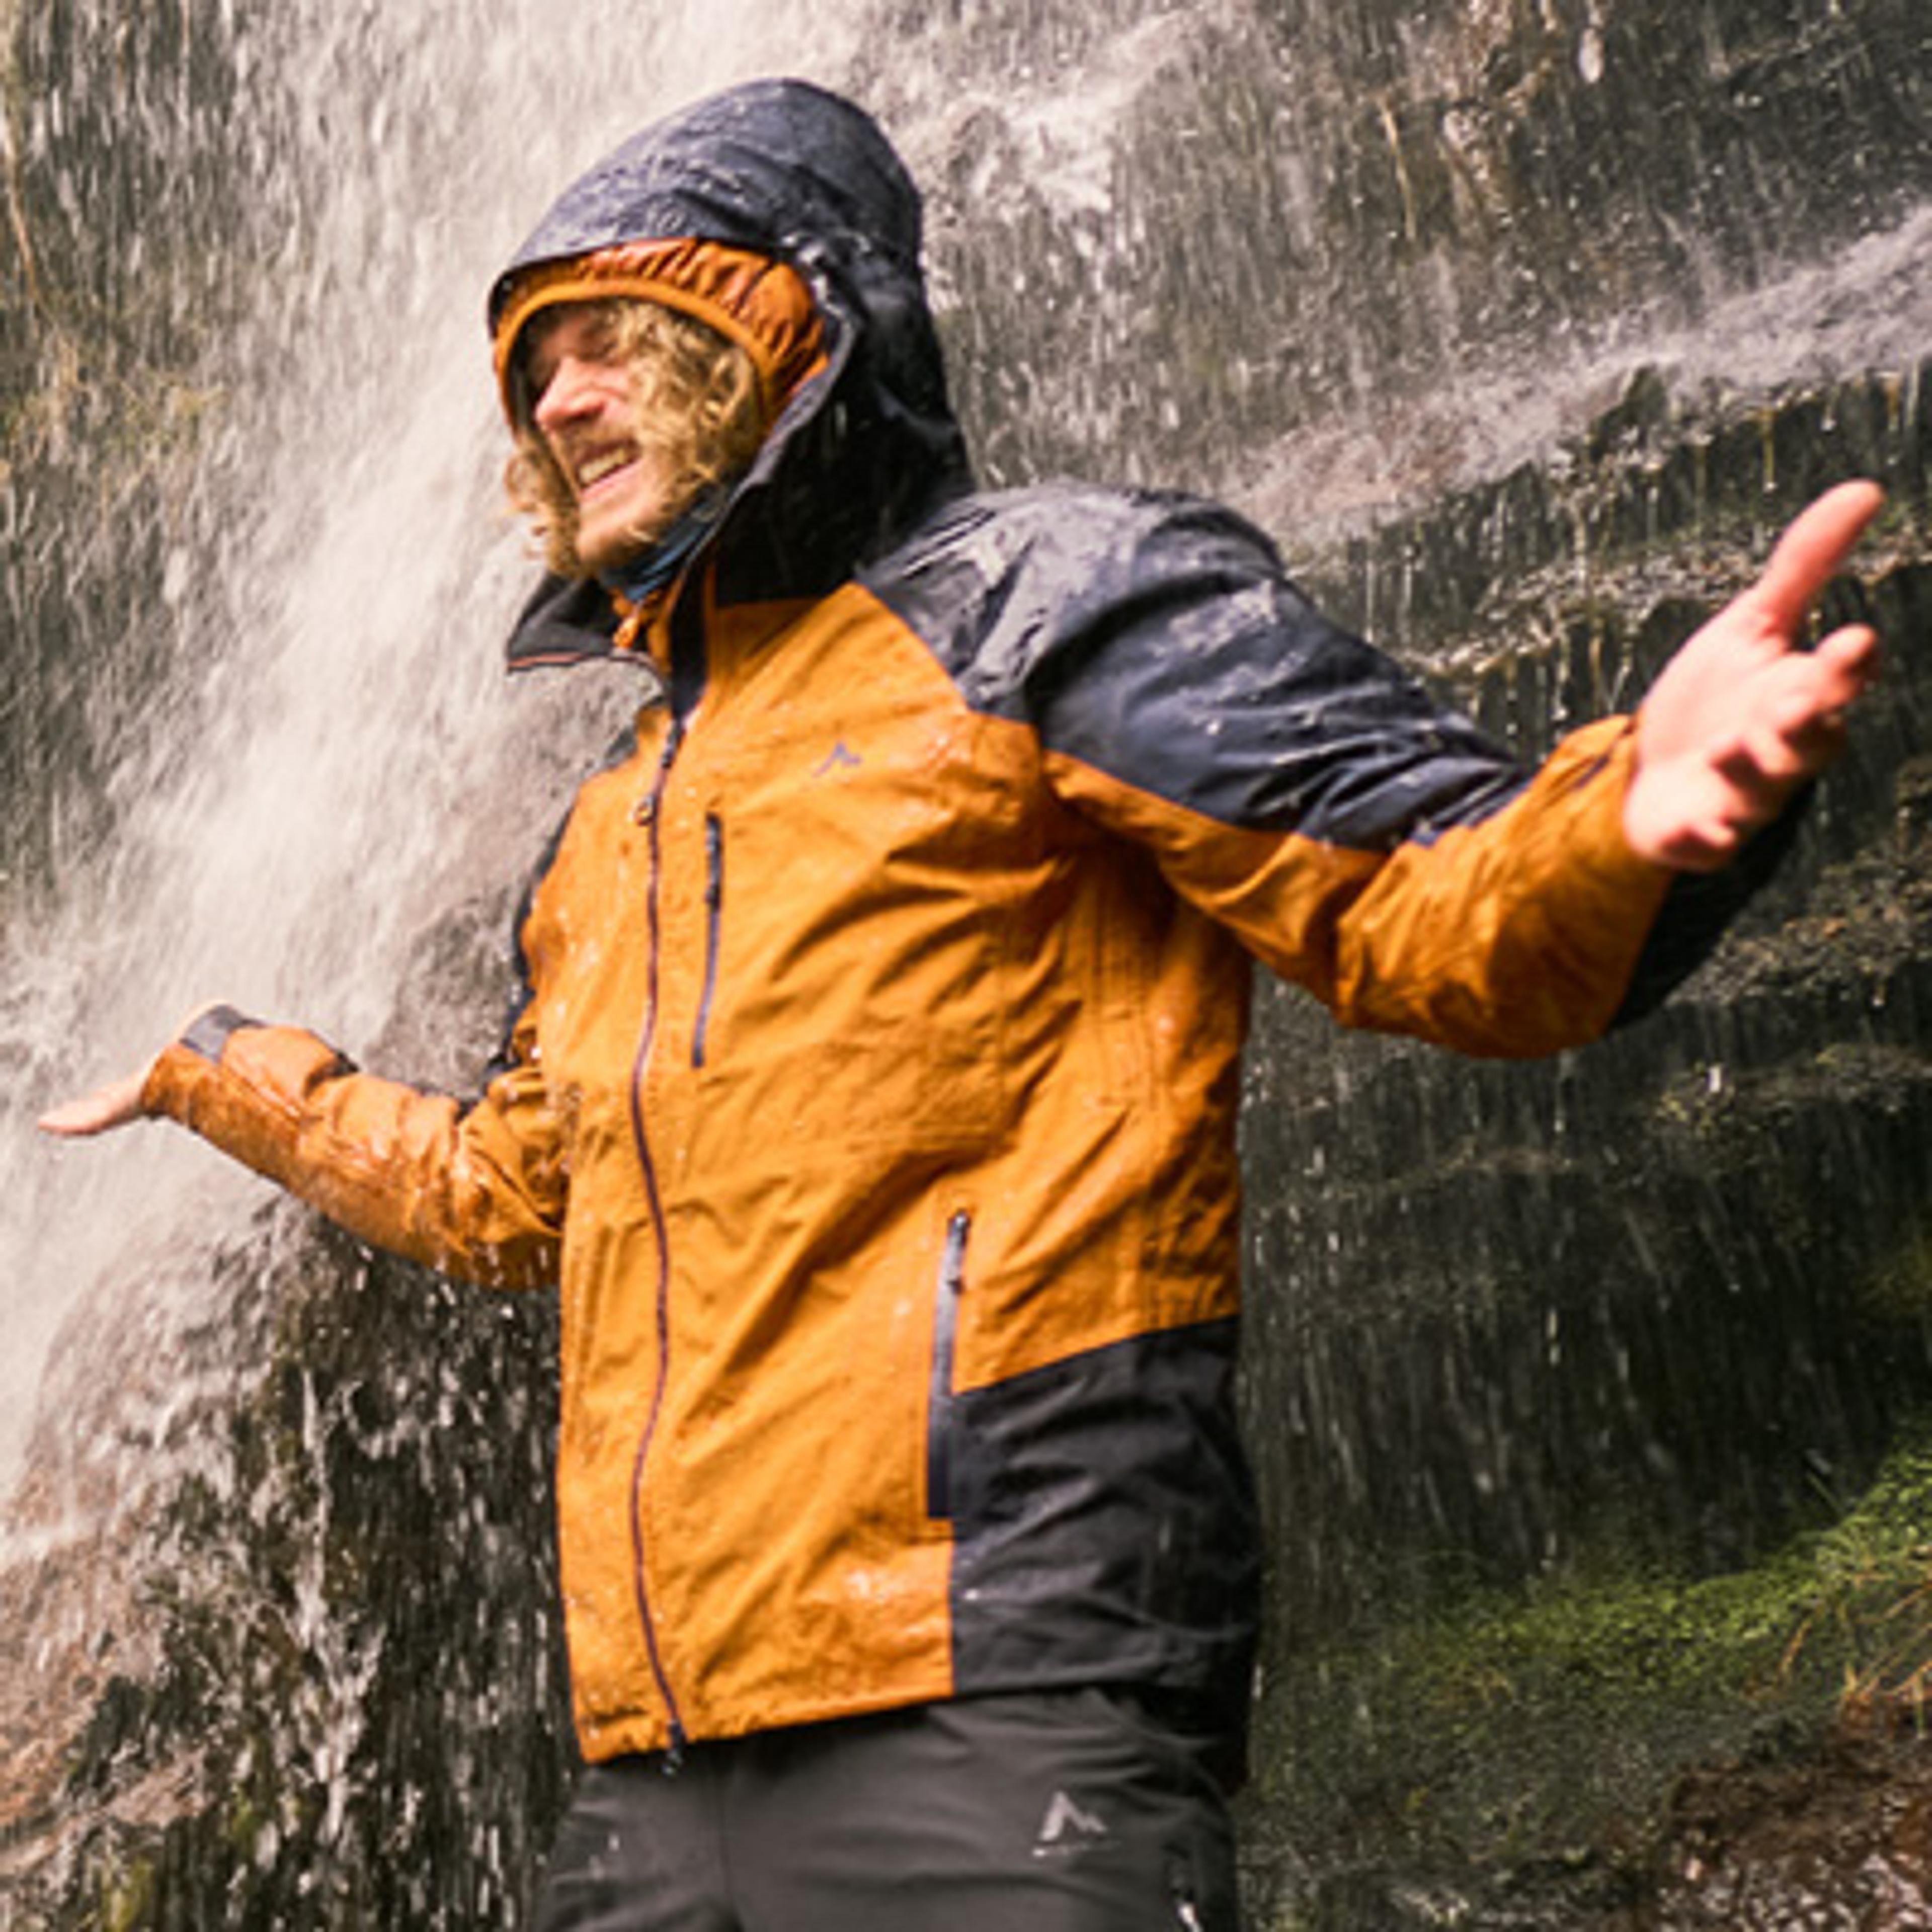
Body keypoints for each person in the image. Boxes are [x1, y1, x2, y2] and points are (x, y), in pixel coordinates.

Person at [41, 76, 1884, 1932]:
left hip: (1002, 1701)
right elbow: (518, 1198)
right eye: (536, 371)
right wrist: (222, 1070)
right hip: (658, 1765)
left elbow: (1428, 909)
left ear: (785, 326)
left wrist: (1635, 815)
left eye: (615, 340)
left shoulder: (1043, 604)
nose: (561, 398)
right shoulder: (616, 816)